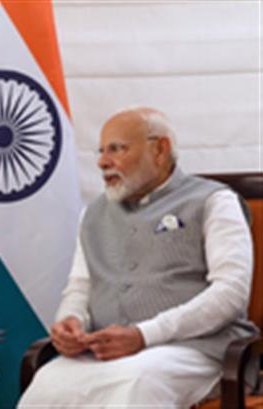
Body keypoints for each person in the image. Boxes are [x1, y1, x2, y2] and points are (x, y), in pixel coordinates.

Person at [18, 107, 258, 407]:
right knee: (47, 384)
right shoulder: (93, 214)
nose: (103, 162)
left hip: (195, 350)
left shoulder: (214, 201)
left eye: (116, 149)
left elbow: (230, 294)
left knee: (139, 380)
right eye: (101, 151)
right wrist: (71, 320)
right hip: (107, 352)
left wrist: (143, 335)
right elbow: (81, 286)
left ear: (160, 150)